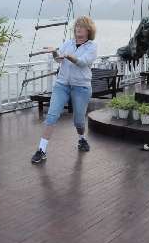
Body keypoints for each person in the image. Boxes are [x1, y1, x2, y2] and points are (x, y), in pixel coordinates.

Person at [31, 16, 98, 164]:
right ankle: (41, 150)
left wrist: (68, 56)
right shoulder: (68, 43)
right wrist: (55, 52)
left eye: (82, 26)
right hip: (62, 85)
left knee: (78, 120)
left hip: (81, 87)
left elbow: (83, 62)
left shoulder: (91, 47)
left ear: (89, 30)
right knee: (52, 115)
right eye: (77, 26)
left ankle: (81, 139)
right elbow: (58, 58)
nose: (78, 28)